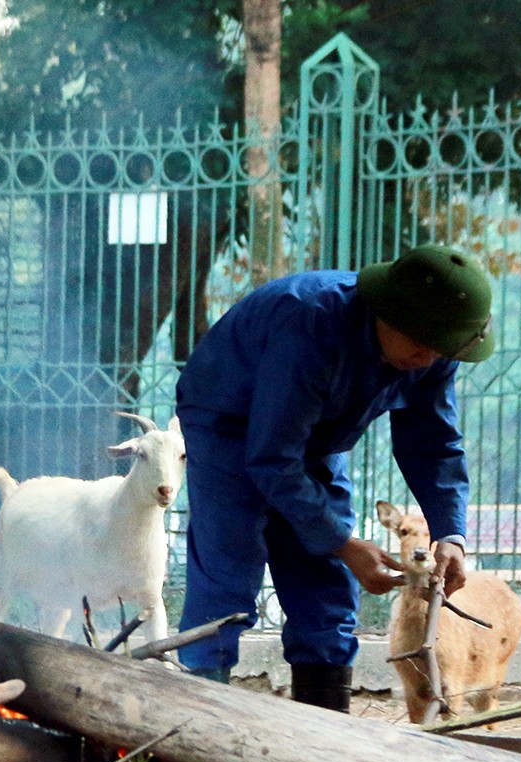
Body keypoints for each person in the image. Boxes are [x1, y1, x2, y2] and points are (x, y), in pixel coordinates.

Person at [173, 243, 494, 712]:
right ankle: (197, 722)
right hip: (226, 422)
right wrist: (344, 542)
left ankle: (324, 731)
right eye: (421, 345)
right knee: (230, 565)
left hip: (315, 439)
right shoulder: (309, 324)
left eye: (440, 350)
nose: (429, 359)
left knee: (324, 583)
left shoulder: (434, 349)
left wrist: (451, 533)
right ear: (386, 313)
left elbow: (434, 443)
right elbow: (271, 459)